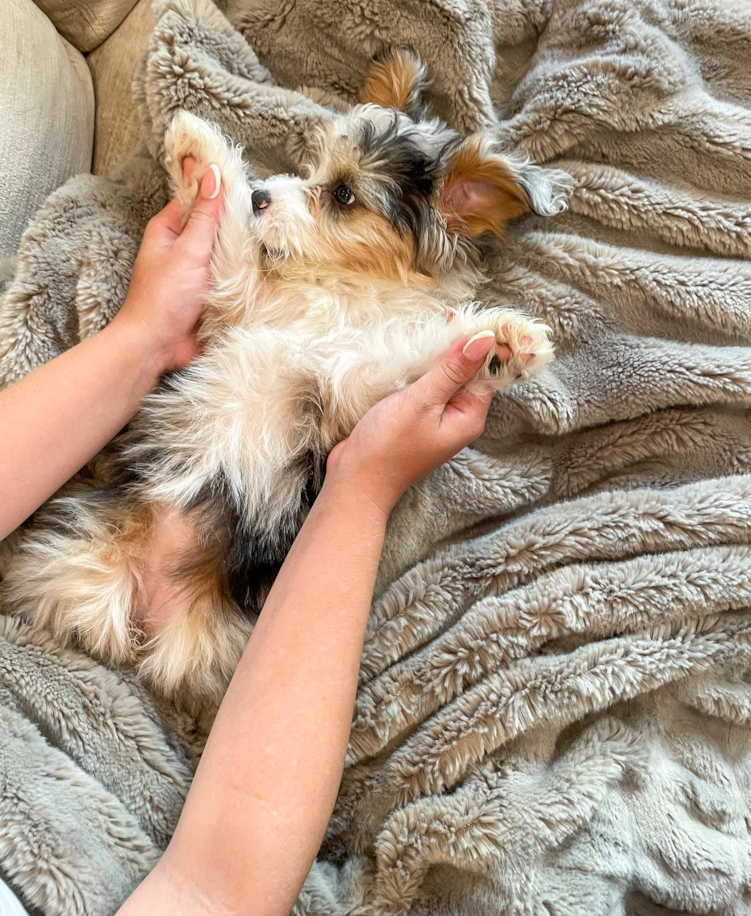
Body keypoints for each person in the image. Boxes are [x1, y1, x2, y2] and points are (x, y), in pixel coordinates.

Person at [0, 165, 499, 915]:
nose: (281, 187)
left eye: (336, 192)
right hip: (178, 605)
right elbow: (216, 890)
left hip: (139, 573)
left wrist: (143, 337)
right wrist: (361, 485)